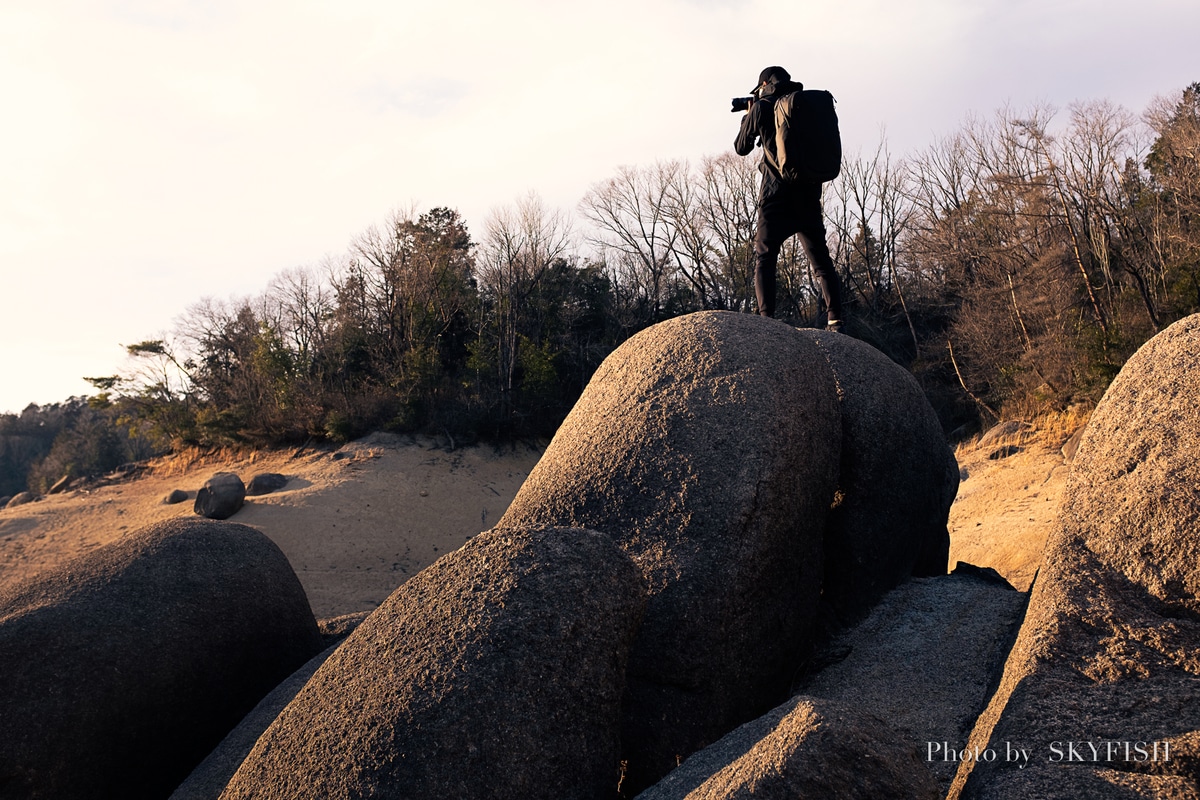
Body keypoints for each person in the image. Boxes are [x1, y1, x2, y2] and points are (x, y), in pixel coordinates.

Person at [735, 66, 844, 330]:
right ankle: (836, 318)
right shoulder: (804, 105)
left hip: (775, 196)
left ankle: (766, 322)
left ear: (763, 85)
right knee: (820, 260)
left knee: (765, 257)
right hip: (807, 193)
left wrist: (750, 114)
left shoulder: (762, 108)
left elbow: (741, 147)